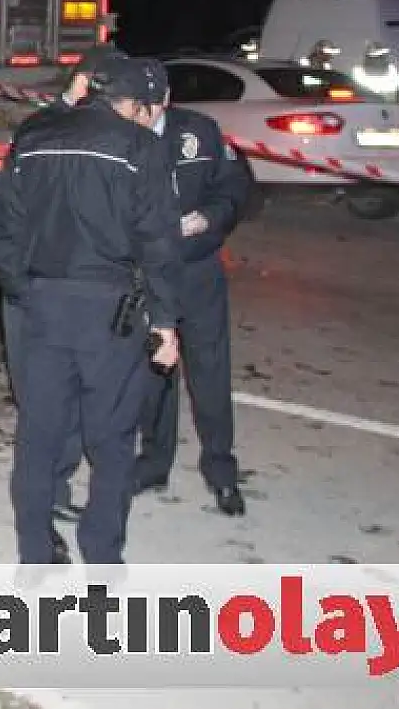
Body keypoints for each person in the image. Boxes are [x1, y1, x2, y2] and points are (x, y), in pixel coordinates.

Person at [0, 57, 184, 565]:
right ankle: (102, 558)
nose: (154, 119)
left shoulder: (34, 136)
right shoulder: (141, 148)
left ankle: (34, 553)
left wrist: (24, 291)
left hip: (43, 308)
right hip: (110, 314)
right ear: (135, 106)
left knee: (38, 435)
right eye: (152, 109)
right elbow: (159, 244)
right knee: (112, 441)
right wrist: (164, 323)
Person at [0, 43, 120, 543]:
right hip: (34, 287)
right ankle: (40, 509)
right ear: (87, 85)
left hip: (64, 287)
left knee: (66, 397)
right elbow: (3, 224)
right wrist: (19, 285)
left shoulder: (105, 135)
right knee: (41, 403)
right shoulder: (41, 132)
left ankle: (56, 490)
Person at [135, 100, 254, 515]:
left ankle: (221, 471)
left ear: (162, 100)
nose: (138, 116)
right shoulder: (121, 133)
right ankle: (153, 463)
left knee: (210, 371)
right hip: (146, 271)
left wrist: (207, 217)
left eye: (144, 108)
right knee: (154, 370)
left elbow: (236, 186)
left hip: (197, 269)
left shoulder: (200, 132)